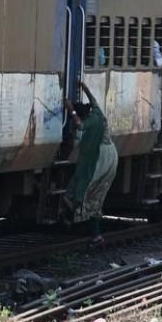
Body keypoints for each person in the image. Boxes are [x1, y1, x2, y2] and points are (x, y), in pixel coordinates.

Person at [61, 81, 118, 242]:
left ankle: (92, 232)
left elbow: (79, 125)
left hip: (98, 159)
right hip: (110, 156)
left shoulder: (89, 122)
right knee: (95, 195)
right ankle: (77, 223)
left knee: (85, 192)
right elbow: (93, 100)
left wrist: (70, 110)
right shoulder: (98, 112)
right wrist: (85, 88)